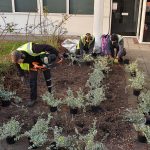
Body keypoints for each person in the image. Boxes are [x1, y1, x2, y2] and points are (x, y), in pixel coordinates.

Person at [11, 42, 63, 107]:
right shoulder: (16, 56)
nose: (19, 63)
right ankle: (33, 99)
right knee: (32, 80)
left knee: (47, 74)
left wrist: (58, 53)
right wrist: (22, 75)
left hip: (41, 58)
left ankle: (50, 93)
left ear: (22, 56)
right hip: (32, 64)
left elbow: (46, 46)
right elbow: (17, 65)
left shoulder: (34, 48)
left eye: (19, 61)